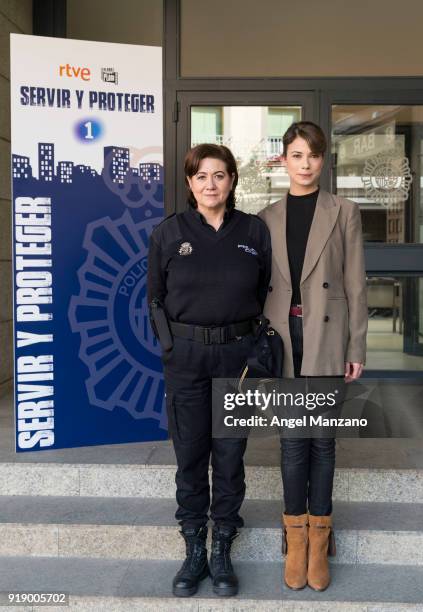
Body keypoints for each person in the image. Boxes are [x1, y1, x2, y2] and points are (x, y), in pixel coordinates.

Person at [147, 143, 271, 598]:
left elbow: (262, 288)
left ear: (233, 180)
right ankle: (194, 548)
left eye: (219, 175)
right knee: (192, 455)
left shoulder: (254, 231)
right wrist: (170, 348)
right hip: (186, 360)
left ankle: (223, 548)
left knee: (230, 456)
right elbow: (155, 297)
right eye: (201, 176)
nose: (211, 184)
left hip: (237, 358)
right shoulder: (168, 233)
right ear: (189, 183)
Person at [258, 121, 368, 592]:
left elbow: (356, 283)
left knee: (323, 441)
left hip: (327, 336)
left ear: (324, 161)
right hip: (285, 337)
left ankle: (319, 538)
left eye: (313, 156)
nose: (305, 164)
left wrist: (356, 345)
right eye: (297, 155)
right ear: (284, 159)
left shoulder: (344, 211)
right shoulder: (265, 218)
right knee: (291, 442)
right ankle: (295, 540)